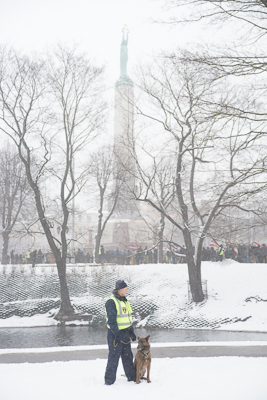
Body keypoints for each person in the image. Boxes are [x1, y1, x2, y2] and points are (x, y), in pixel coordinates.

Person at [104, 280, 136, 385]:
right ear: (121, 290)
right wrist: (117, 335)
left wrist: (131, 331)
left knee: (128, 357)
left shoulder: (124, 301)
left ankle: (132, 377)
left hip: (126, 333)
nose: (127, 291)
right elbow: (111, 321)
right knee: (114, 357)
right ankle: (109, 381)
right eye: (126, 289)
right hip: (115, 335)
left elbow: (127, 318)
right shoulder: (111, 302)